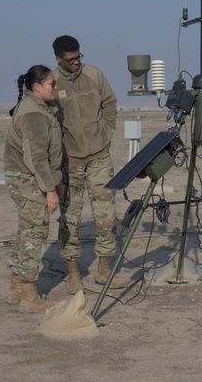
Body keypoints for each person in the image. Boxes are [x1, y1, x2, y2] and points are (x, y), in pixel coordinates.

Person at [51, 35, 124, 293]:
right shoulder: (52, 82)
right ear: (58, 59)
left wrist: (105, 135)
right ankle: (73, 273)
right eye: (70, 60)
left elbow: (110, 104)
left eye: (79, 57)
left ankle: (104, 270)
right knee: (69, 220)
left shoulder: (94, 75)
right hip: (69, 163)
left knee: (106, 216)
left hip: (99, 158)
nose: (76, 63)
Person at [3, 65, 65, 312]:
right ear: (37, 87)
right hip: (29, 179)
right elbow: (36, 157)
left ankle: (16, 289)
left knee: (25, 231)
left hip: (27, 177)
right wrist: (49, 189)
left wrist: (55, 180)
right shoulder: (34, 113)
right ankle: (29, 295)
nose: (55, 87)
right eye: (52, 83)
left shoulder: (39, 108)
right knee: (34, 234)